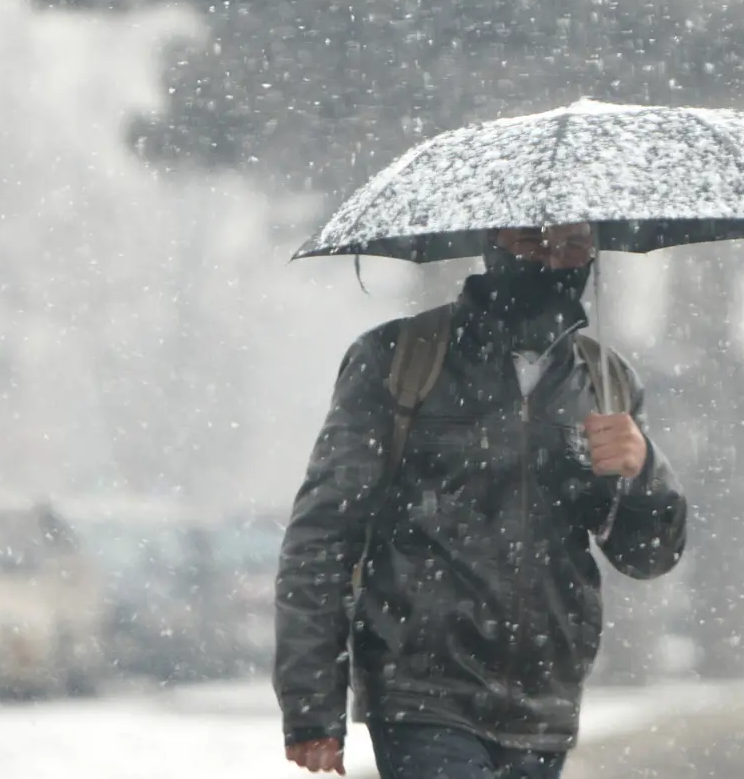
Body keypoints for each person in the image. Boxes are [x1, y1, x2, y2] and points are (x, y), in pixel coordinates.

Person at [274, 222, 688, 779]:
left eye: (572, 244)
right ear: (492, 242)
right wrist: (311, 705)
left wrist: (643, 472)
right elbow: (323, 534)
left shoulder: (606, 381)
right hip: (420, 688)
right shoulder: (399, 359)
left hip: (545, 695)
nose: (553, 259)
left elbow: (645, 556)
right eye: (531, 241)